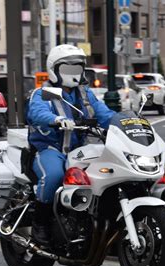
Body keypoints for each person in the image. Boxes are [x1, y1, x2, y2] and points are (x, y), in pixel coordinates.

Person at [26, 44, 115, 247]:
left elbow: (103, 114)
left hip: (80, 151)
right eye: (68, 69)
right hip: (49, 150)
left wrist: (126, 122)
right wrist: (56, 119)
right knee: (55, 175)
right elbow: (37, 113)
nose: (74, 74)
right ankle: (41, 223)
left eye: (78, 69)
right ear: (54, 70)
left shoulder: (84, 94)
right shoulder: (42, 93)